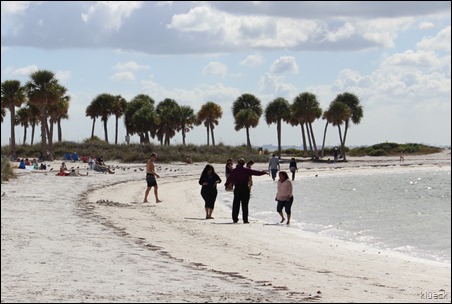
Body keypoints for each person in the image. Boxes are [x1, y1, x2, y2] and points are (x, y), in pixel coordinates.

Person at [225, 158, 268, 224]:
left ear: (238, 163)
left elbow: (229, 178)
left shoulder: (235, 170)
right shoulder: (247, 170)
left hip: (237, 188)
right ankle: (245, 220)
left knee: (236, 204)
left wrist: (226, 185)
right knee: (245, 205)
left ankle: (235, 219)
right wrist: (263, 173)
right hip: (245, 188)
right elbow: (255, 172)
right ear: (244, 163)